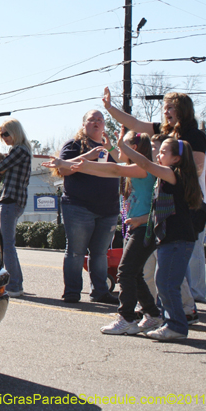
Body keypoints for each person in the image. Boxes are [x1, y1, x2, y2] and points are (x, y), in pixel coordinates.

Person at [46, 130, 163, 335]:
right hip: (139, 227)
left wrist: (77, 164)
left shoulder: (142, 169)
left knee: (125, 272)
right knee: (134, 273)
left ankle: (127, 318)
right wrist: (103, 152)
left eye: (122, 146)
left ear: (133, 149)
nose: (117, 150)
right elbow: (111, 167)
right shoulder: (137, 166)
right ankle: (152, 314)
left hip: (144, 229)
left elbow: (112, 168)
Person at [103, 88, 206, 303]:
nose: (166, 112)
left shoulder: (195, 136)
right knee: (165, 260)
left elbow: (195, 168)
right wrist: (110, 108)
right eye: (165, 108)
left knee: (188, 255)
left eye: (170, 107)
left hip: (189, 203)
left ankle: (193, 301)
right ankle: (169, 307)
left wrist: (163, 172)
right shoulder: (164, 131)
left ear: (183, 110)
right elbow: (135, 124)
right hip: (165, 202)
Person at [117, 135, 203, 341]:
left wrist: (121, 146)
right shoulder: (171, 175)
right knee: (164, 283)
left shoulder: (173, 174)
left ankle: (176, 326)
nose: (158, 154)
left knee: (167, 284)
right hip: (170, 239)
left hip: (177, 239)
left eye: (164, 152)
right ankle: (171, 323)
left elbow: (145, 164)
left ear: (176, 159)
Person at [53, 109, 119, 304]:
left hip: (108, 209)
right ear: (84, 124)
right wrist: (88, 156)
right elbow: (62, 168)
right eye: (92, 119)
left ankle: (100, 292)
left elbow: (123, 166)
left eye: (100, 119)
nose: (97, 122)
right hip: (79, 207)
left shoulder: (110, 148)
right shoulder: (74, 145)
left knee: (100, 254)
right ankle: (72, 292)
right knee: (76, 252)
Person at [0, 119, 31, 297]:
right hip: (15, 201)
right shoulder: (22, 150)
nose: (4, 137)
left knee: (7, 245)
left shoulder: (19, 150)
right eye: (1, 135)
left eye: (6, 134)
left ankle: (14, 285)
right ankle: (16, 283)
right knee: (8, 245)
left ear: (15, 132)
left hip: (11, 200)